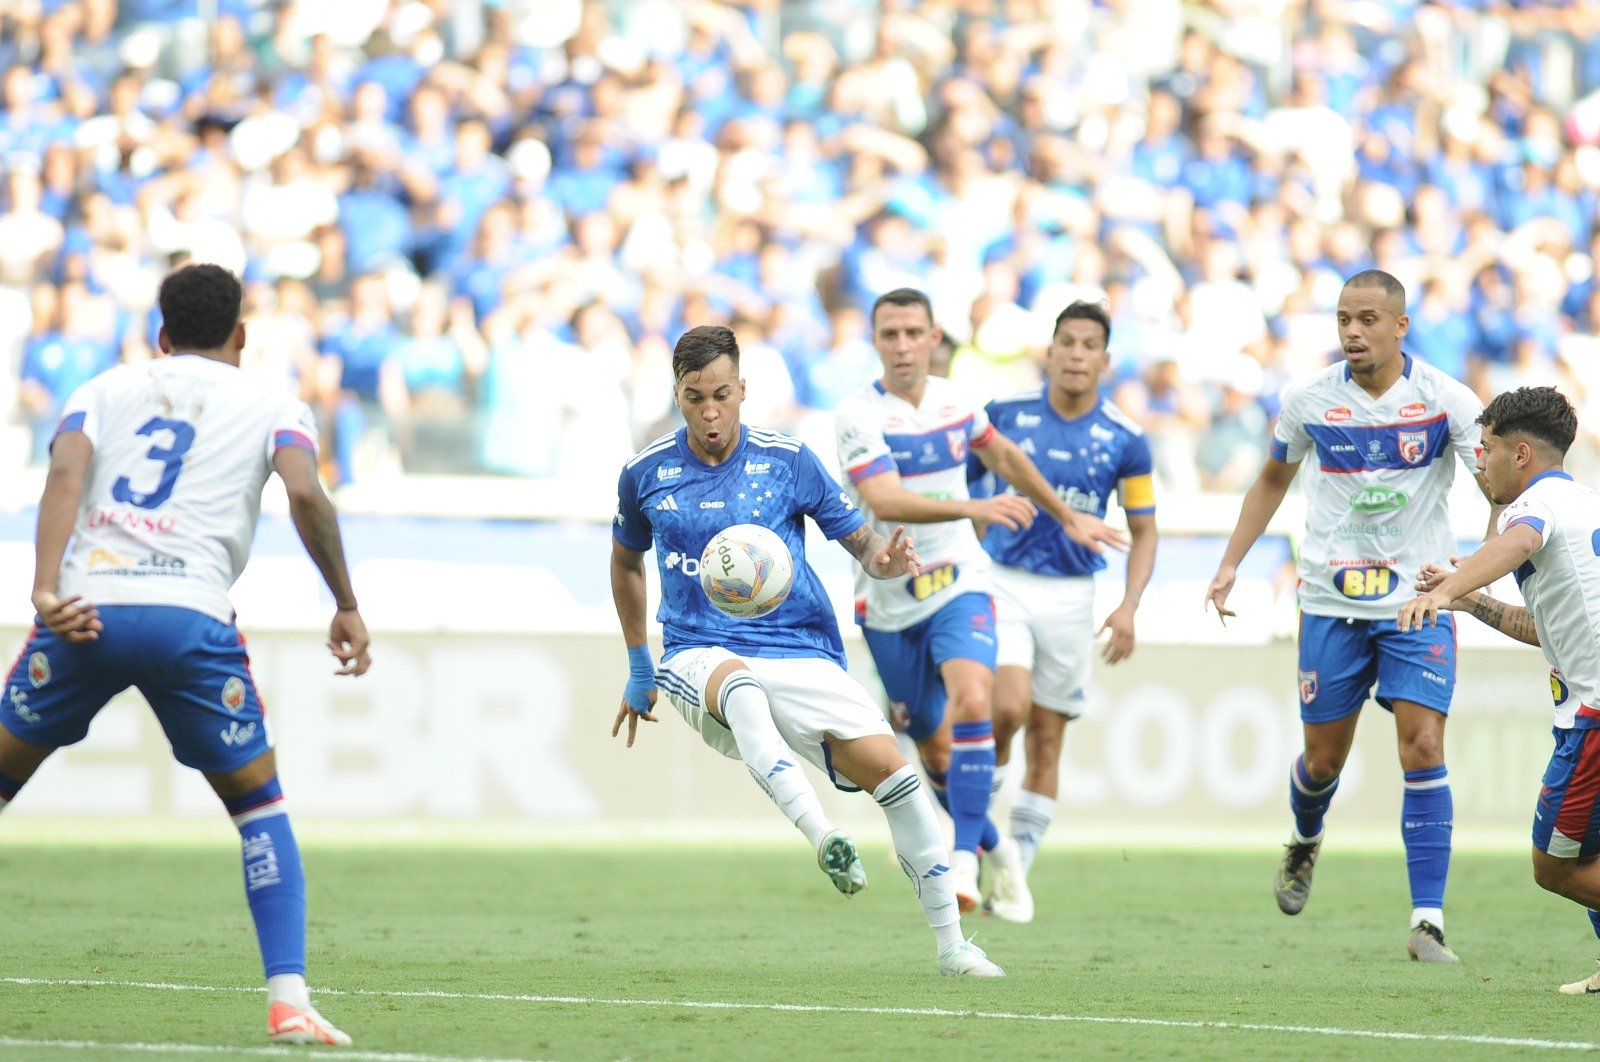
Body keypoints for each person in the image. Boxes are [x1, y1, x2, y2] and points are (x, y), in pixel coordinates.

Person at [0, 263, 370, 1045]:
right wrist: (343, 600)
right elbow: (305, 493)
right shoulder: (275, 402)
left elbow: (64, 471)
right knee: (258, 809)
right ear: (242, 334)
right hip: (190, 619)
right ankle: (288, 1000)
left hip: (84, 611)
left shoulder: (101, 388)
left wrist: (42, 586)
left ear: (160, 335)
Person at [610, 324, 1004, 978]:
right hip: (697, 651)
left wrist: (886, 561)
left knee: (898, 778)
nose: (710, 411)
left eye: (722, 394)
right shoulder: (645, 473)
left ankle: (953, 946)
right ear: (677, 396)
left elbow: (862, 545)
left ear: (743, 389)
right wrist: (637, 664)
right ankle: (824, 836)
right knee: (740, 689)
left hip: (800, 649)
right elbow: (626, 564)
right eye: (694, 397)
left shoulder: (787, 460)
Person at [1205, 269, 1494, 963]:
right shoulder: (1307, 401)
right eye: (1343, 320)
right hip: (1330, 603)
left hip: (1417, 602)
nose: (1353, 332)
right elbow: (1272, 478)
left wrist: (1474, 568)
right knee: (1322, 761)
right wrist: (1229, 563)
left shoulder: (1448, 402)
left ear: (1401, 325)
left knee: (1423, 746)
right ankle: (1305, 839)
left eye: (1367, 319)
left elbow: (1497, 485)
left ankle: (1428, 921)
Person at [832, 287, 1125, 917]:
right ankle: (1002, 854)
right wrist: (973, 506)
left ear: (935, 337)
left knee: (975, 700)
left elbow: (1006, 457)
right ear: (876, 342)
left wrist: (1065, 514)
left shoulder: (957, 401)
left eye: (915, 332)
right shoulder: (858, 414)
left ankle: (963, 861)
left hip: (961, 578)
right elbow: (882, 499)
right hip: (889, 601)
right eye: (891, 334)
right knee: (935, 754)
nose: (904, 345)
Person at [1400, 386, 1600, 995]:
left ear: (1519, 453)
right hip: (1588, 704)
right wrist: (1470, 599)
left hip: (1594, 716)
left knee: (1556, 867)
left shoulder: (1533, 508)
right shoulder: (1579, 503)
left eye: (1484, 450)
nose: (1478, 463)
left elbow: (1515, 541)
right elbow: (1546, 630)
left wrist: (1442, 588)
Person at [971, 301, 1159, 921]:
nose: (1076, 355)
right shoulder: (1005, 415)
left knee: (1048, 743)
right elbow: (965, 479)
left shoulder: (1127, 441)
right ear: (1048, 352)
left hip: (1073, 598)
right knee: (1006, 709)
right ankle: (969, 834)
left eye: (1089, 346)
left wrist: (1129, 606)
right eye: (1066, 343)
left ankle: (1014, 872)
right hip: (1003, 580)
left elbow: (1144, 529)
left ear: (1105, 360)